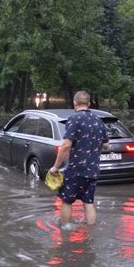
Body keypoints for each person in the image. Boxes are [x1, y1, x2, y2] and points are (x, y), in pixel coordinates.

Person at [49, 91, 109, 229]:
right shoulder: (98, 120)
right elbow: (106, 144)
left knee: (67, 200)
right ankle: (90, 231)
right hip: (93, 170)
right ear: (89, 104)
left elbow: (66, 145)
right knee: (88, 202)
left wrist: (55, 167)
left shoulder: (74, 119)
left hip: (77, 170)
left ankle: (66, 231)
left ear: (74, 103)